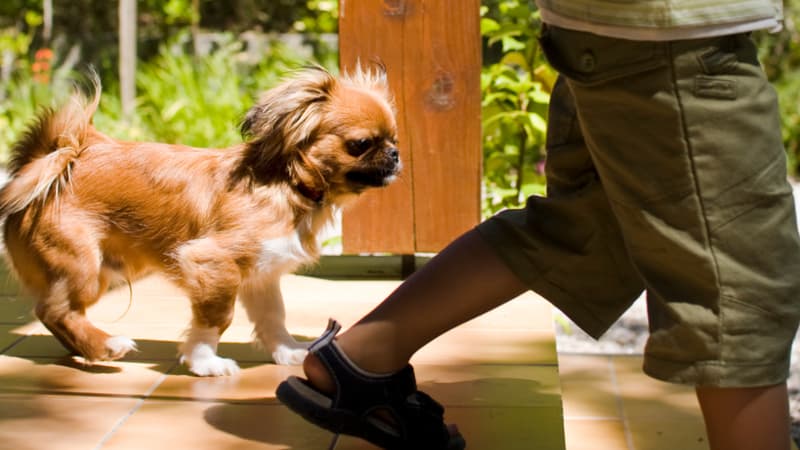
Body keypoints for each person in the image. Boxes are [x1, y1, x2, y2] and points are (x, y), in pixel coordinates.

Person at [276, 1, 800, 449]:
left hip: (627, 32)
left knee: (587, 227)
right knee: (739, 286)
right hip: (673, 37)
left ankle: (362, 360)